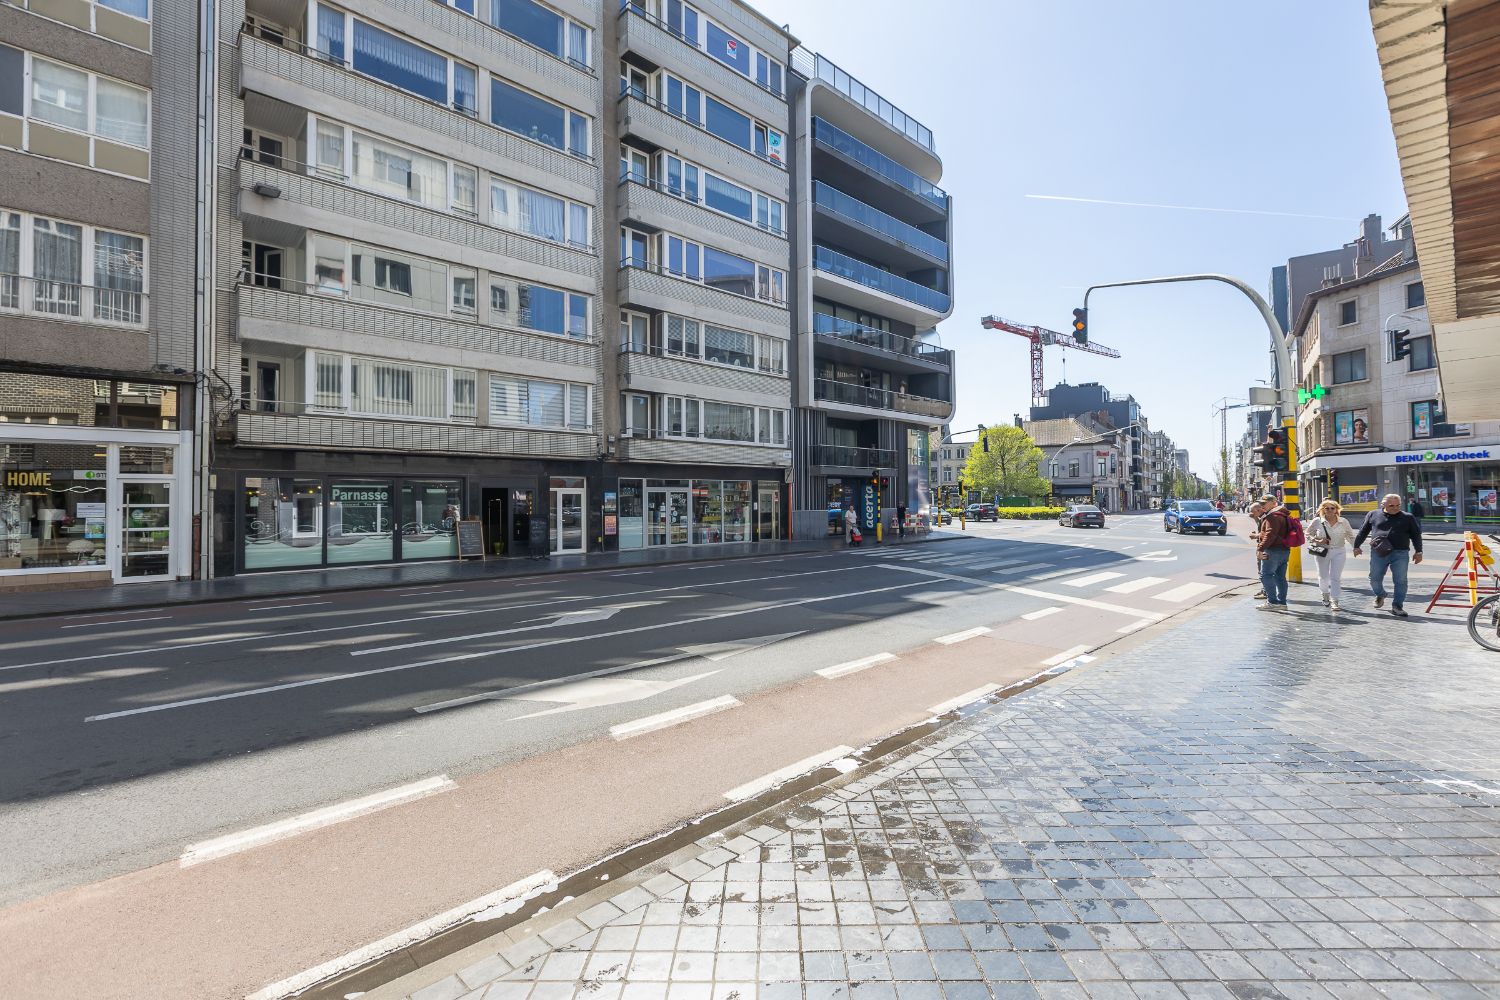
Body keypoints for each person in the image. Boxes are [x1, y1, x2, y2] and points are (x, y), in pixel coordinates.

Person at [1353, 493, 1424, 617]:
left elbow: (1416, 535)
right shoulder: (1373, 514)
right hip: (1378, 551)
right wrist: (1356, 546)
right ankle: (1381, 594)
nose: (1395, 508)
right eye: (1391, 505)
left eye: (1398, 505)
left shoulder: (1408, 517)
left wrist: (1418, 551)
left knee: (1401, 581)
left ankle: (1397, 606)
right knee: (1374, 578)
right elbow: (1363, 531)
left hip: (1400, 552)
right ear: (1383, 504)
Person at [1305, 499, 1355, 611]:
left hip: (1339, 551)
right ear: (1322, 510)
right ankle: (1325, 594)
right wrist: (1316, 540)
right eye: (1327, 508)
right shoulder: (1317, 521)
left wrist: (1355, 547)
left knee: (1335, 577)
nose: (1330, 510)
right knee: (1323, 576)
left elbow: (1350, 536)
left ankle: (1335, 601)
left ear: (1337, 509)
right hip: (1322, 551)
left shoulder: (1343, 521)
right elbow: (1308, 533)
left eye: (1332, 508)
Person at [1256, 497, 1292, 610]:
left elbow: (1270, 535)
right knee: (1280, 577)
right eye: (1261, 503)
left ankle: (1272, 602)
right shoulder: (1283, 515)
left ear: (1273, 503)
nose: (1262, 505)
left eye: (1264, 503)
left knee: (1265, 575)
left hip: (1272, 550)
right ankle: (1282, 603)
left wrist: (1260, 549)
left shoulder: (1273, 516)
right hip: (1284, 550)